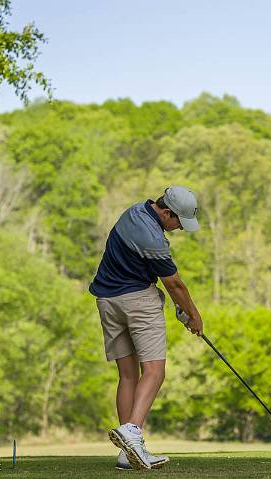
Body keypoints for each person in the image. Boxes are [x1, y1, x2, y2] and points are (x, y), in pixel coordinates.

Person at [89, 186, 204, 470]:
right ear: (166, 212)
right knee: (154, 370)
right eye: (177, 222)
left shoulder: (132, 213)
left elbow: (141, 264)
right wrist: (194, 314)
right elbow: (174, 283)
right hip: (138, 302)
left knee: (127, 376)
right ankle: (133, 431)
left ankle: (127, 454)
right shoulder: (155, 239)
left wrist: (179, 308)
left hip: (107, 301)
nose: (178, 228)